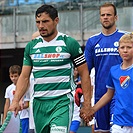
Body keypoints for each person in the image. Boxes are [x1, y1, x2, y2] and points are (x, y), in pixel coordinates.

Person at [9, 4, 92, 133]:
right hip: (38, 104)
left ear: (56, 21)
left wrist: (87, 103)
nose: (41, 26)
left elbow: (85, 73)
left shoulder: (69, 43)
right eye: (38, 22)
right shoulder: (31, 47)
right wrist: (15, 101)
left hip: (62, 101)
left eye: (45, 21)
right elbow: (24, 77)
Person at [81, 2, 127, 133]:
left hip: (120, 95)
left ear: (116, 17)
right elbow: (85, 72)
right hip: (101, 95)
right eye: (103, 15)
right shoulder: (92, 41)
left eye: (109, 15)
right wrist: (87, 104)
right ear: (100, 18)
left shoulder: (125, 39)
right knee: (101, 131)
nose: (106, 17)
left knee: (118, 129)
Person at [84, 33, 133, 133]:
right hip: (120, 121)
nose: (125, 50)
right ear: (118, 50)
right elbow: (108, 94)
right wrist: (92, 110)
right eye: (122, 47)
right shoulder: (114, 71)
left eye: (129, 47)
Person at [3, 65, 29, 133]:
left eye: (15, 76)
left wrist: (18, 107)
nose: (13, 78)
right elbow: (7, 104)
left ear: (20, 76)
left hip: (24, 116)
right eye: (12, 76)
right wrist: (4, 119)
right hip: (13, 118)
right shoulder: (8, 89)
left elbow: (28, 103)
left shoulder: (25, 87)